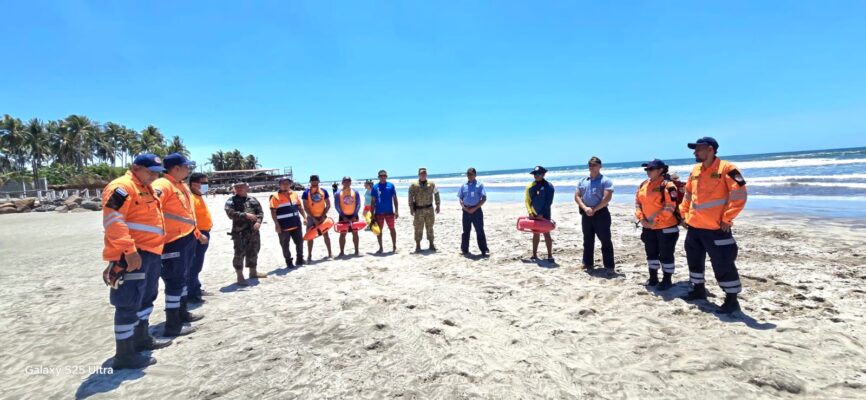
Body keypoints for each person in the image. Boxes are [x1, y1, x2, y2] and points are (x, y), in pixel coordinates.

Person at [100, 154, 171, 369]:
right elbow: (113, 220)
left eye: (157, 173)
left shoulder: (147, 188)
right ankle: (124, 354)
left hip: (151, 252)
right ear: (136, 167)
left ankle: (141, 338)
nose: (154, 176)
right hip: (133, 254)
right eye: (150, 172)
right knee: (128, 302)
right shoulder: (121, 187)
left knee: (146, 297)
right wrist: (129, 250)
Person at [679, 137, 748, 314]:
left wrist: (727, 218)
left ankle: (731, 300)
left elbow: (739, 195)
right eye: (695, 149)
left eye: (698, 149)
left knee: (723, 262)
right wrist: (684, 215)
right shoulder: (695, 170)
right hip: (694, 226)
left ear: (710, 149)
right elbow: (688, 194)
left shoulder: (727, 168)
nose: (695, 152)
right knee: (694, 260)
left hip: (716, 228)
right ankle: (698, 290)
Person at [151, 153, 205, 336]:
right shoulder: (162, 185)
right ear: (175, 168)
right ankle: (172, 324)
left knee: (183, 278)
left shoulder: (181, 185)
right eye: (186, 166)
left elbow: (187, 214)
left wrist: (197, 234)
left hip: (186, 238)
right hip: (172, 241)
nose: (188, 169)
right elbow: (151, 210)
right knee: (174, 280)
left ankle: (182, 313)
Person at [635, 159, 680, 290]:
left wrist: (656, 221)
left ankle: (667, 280)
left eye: (651, 169)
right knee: (651, 254)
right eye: (646, 169)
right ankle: (653, 278)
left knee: (666, 255)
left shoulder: (667, 185)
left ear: (661, 170)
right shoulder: (643, 184)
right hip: (648, 227)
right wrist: (642, 219)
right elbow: (638, 203)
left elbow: (670, 206)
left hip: (666, 228)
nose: (648, 171)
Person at [575, 156, 616, 272]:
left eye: (594, 165)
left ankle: (609, 266)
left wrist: (594, 209)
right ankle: (587, 263)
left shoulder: (605, 180)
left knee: (605, 240)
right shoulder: (583, 181)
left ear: (600, 166)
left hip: (601, 213)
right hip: (586, 213)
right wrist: (585, 208)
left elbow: (607, 198)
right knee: (587, 240)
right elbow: (577, 196)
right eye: (590, 165)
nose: (591, 167)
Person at [225, 181, 266, 285]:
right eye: (237, 187)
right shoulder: (231, 200)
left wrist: (258, 222)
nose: (239, 188)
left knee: (254, 250)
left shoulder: (253, 199)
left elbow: (260, 212)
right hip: (239, 232)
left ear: (247, 188)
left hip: (253, 231)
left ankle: (253, 272)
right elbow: (230, 213)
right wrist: (245, 215)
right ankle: (240, 276)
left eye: (242, 187)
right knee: (239, 253)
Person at [269, 176, 306, 268]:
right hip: (283, 225)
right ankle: (289, 261)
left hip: (296, 223)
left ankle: (300, 259)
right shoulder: (275, 197)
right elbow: (273, 212)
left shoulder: (294, 194)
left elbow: (299, 207)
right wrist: (276, 225)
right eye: (283, 183)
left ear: (290, 184)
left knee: (300, 242)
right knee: (285, 244)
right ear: (279, 185)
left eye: (287, 183)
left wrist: (305, 217)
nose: (286, 185)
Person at [188, 173, 212, 304]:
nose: (206, 185)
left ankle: (196, 288)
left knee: (197, 264)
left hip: (204, 233)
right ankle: (191, 293)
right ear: (194, 184)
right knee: (193, 265)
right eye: (203, 183)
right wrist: (198, 234)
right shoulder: (190, 198)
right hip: (196, 235)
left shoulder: (199, 196)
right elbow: (189, 220)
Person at [525, 166, 555, 261]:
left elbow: (548, 202)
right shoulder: (530, 186)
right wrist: (530, 212)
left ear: (543, 174)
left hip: (545, 214)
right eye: (535, 174)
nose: (536, 175)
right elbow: (527, 200)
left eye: (539, 173)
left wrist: (541, 213)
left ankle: (550, 255)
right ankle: (534, 255)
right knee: (535, 234)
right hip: (533, 214)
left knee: (546, 233)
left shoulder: (549, 186)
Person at [457, 167, 489, 256]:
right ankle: (464, 250)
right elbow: (460, 198)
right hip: (466, 211)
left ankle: (484, 249)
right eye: (468, 174)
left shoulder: (479, 185)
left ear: (475, 175)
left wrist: (475, 208)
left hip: (476, 210)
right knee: (465, 231)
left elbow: (484, 198)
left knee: (479, 230)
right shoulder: (463, 185)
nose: (469, 176)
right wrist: (464, 207)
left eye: (471, 174)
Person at [408, 167, 441, 252]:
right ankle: (418, 246)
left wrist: (438, 205)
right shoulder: (413, 185)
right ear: (418, 174)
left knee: (430, 227)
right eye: (421, 173)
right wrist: (411, 208)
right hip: (419, 210)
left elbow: (436, 194)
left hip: (429, 209)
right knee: (418, 228)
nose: (423, 175)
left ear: (426, 174)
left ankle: (431, 244)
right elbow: (410, 197)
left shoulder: (431, 184)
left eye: (424, 173)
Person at [302, 175, 333, 260]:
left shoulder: (323, 191)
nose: (314, 182)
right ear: (310, 181)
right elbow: (305, 207)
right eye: (313, 180)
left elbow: (328, 204)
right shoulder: (306, 192)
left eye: (316, 180)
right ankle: (309, 256)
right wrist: (313, 218)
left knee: (326, 235)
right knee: (310, 236)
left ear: (319, 181)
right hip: (311, 218)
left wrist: (322, 216)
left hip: (322, 217)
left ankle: (330, 253)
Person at [370, 169, 399, 253]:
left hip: (389, 212)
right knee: (379, 231)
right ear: (378, 177)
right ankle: (381, 247)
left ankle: (394, 246)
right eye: (381, 176)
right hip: (379, 213)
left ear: (386, 176)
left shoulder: (391, 186)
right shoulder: (375, 187)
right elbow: (373, 201)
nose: (383, 177)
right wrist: (372, 213)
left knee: (392, 229)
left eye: (384, 176)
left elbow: (395, 198)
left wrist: (396, 210)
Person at [335, 176, 362, 256]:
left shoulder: (355, 192)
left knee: (355, 233)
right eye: (345, 181)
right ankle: (341, 252)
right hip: (343, 216)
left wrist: (355, 215)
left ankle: (356, 251)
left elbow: (358, 204)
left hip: (354, 215)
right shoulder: (338, 193)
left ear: (350, 182)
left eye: (348, 181)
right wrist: (343, 216)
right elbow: (337, 206)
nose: (347, 183)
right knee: (342, 234)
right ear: (342, 183)